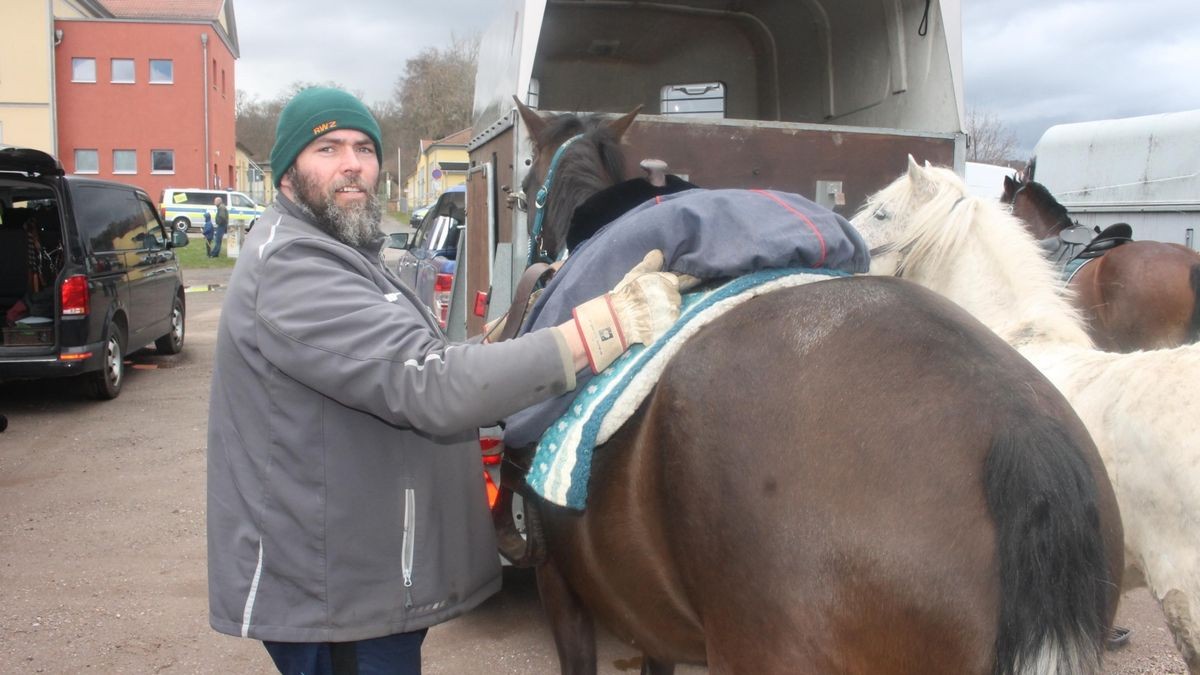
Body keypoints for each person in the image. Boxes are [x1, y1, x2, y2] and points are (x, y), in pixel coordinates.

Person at [205, 87, 686, 675]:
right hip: (337, 595)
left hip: (361, 576)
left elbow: (410, 359)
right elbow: (430, 385)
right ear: (285, 174)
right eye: (326, 148)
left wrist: (492, 345)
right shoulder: (293, 268)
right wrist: (602, 331)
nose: (352, 163)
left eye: (362, 147)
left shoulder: (338, 250)